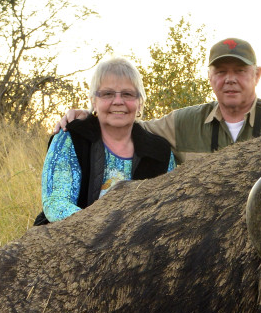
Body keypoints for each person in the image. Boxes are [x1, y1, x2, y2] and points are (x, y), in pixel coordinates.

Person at [58, 37, 261, 165]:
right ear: (210, 77)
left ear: (257, 74)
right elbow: (128, 127)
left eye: (240, 71)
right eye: (221, 72)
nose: (230, 79)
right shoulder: (184, 122)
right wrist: (89, 116)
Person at [35, 57, 174, 225]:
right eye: (108, 94)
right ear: (94, 101)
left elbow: (168, 211)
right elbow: (56, 204)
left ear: (139, 102)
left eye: (127, 94)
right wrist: (108, 228)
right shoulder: (70, 138)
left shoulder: (160, 152)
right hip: (72, 237)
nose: (118, 101)